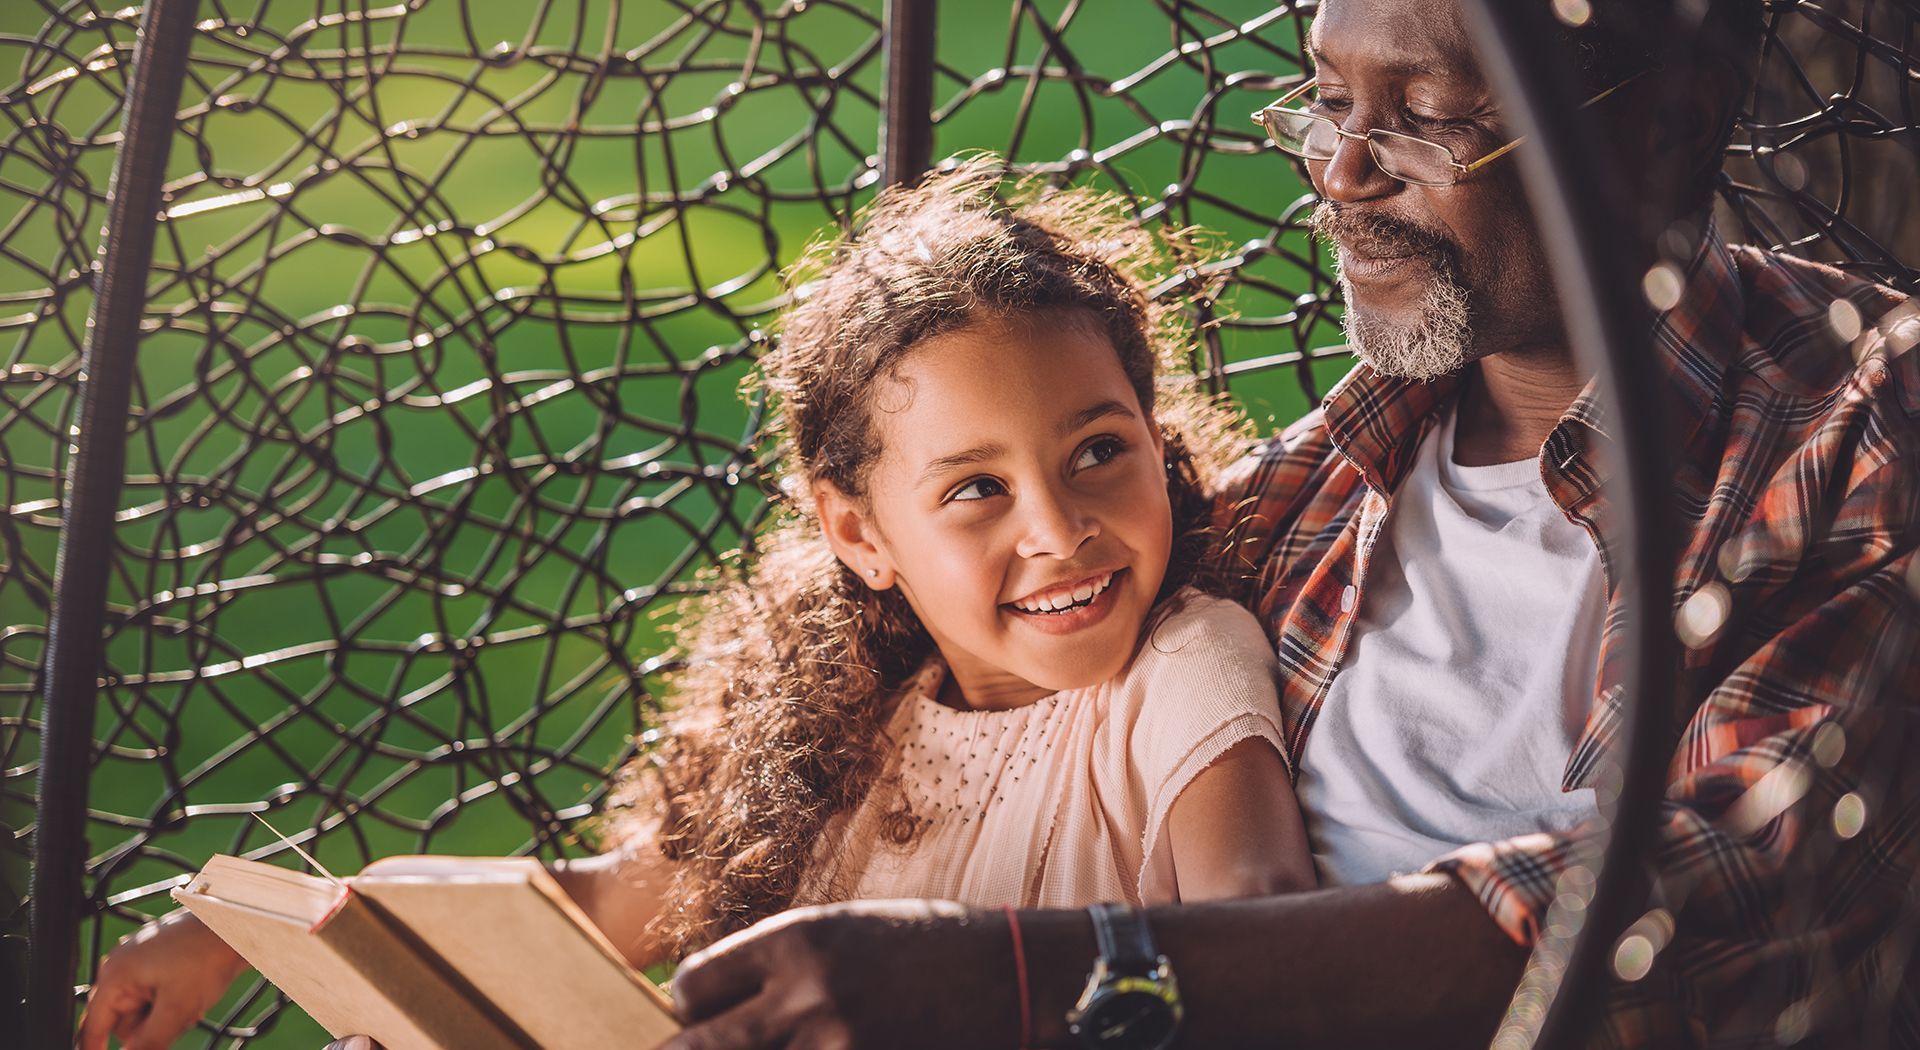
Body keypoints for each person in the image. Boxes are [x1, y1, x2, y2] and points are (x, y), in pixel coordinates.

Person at [653, 0, 1920, 1047]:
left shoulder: (1863, 417)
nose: (1345, 173)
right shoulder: (1312, 489)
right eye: (1328, 103)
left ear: (1660, 129)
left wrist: (1038, 977)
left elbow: (1725, 876)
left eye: (1423, 114)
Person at [75, 162, 1319, 1050]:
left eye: (1099, 451)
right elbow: (598, 905)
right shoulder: (851, 726)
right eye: (978, 488)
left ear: (1159, 444)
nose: (1058, 530)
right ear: (859, 534)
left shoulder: (1181, 666)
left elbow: (1262, 934)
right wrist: (258, 936)